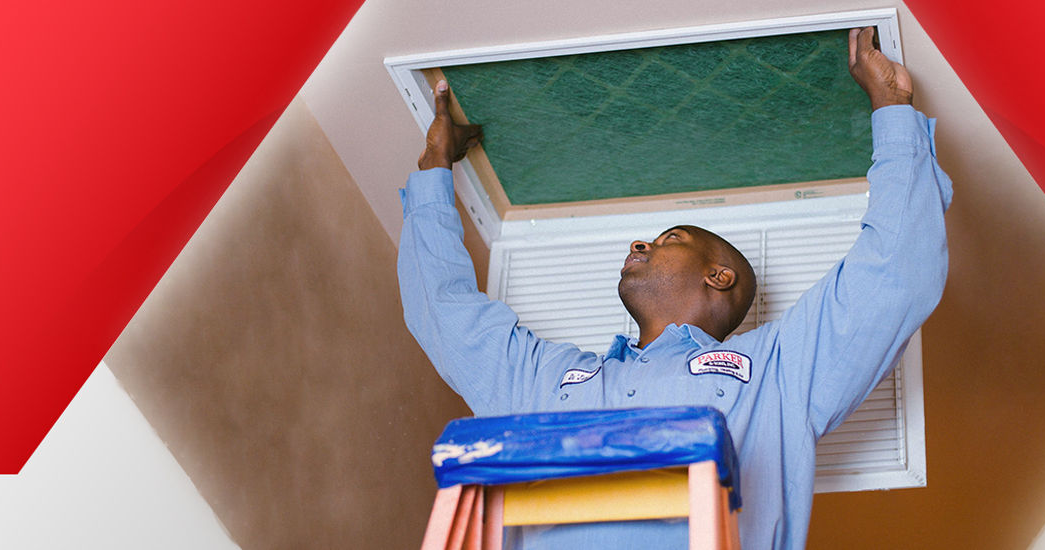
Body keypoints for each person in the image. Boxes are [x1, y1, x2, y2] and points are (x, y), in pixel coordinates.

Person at [397, 27, 952, 550]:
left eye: (670, 238)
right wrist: (433, 167)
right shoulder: (545, 378)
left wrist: (893, 109)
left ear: (719, 276)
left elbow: (894, 275)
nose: (640, 244)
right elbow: (445, 314)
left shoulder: (778, 372)